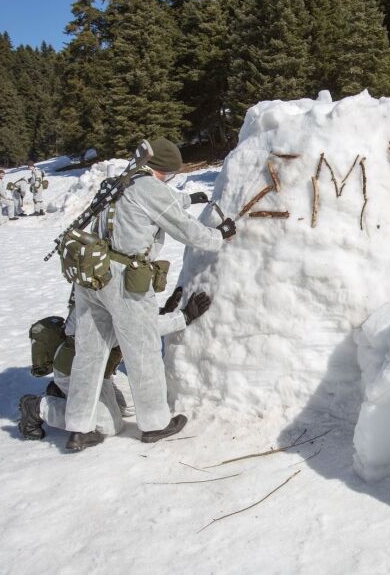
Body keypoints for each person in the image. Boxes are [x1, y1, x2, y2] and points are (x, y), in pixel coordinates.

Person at [63, 137, 234, 451]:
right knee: (142, 349)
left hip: (92, 275)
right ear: (165, 170)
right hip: (125, 280)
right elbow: (190, 233)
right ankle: (156, 423)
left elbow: (142, 205)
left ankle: (79, 427)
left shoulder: (117, 182)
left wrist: (186, 198)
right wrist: (219, 235)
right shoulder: (152, 190)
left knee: (89, 354)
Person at [18, 288, 212, 448]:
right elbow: (135, 328)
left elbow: (130, 319)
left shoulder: (106, 286)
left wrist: (161, 312)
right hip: (77, 370)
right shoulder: (101, 296)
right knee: (109, 426)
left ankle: (65, 394)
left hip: (104, 370)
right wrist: (184, 317)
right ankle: (37, 407)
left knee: (132, 406)